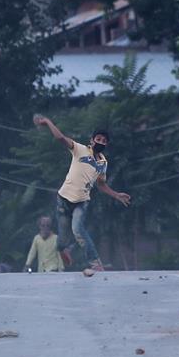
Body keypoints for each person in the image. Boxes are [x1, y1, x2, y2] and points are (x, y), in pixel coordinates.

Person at [33, 115, 131, 276]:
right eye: (98, 139)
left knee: (78, 229)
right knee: (62, 240)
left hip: (81, 202)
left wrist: (116, 195)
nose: (101, 142)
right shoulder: (79, 149)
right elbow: (60, 138)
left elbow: (101, 185)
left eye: (104, 141)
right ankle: (64, 250)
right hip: (63, 200)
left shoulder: (102, 163)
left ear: (107, 144)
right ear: (92, 140)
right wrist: (48, 122)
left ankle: (96, 263)